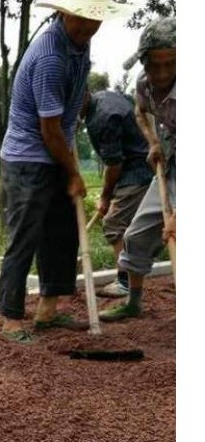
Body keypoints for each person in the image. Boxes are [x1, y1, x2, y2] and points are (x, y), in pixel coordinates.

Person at [0, 0, 134, 344]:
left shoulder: (79, 45)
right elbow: (49, 130)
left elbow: (67, 112)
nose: (87, 27)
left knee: (62, 232)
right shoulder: (51, 57)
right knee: (24, 237)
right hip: (28, 158)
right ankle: (11, 319)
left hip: (56, 150)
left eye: (94, 20)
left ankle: (48, 311)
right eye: (79, 18)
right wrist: (74, 173)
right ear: (62, 13)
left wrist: (68, 160)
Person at [99, 16, 176, 322]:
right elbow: (140, 111)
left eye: (170, 64)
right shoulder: (144, 84)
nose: (162, 73)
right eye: (155, 65)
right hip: (171, 163)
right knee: (135, 235)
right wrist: (153, 142)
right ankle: (133, 302)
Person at [80, 88, 154, 297]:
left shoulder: (103, 118)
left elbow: (114, 164)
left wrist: (105, 197)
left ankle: (125, 282)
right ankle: (132, 276)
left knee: (114, 223)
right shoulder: (105, 98)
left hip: (137, 172)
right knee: (137, 227)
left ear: (82, 94)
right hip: (142, 165)